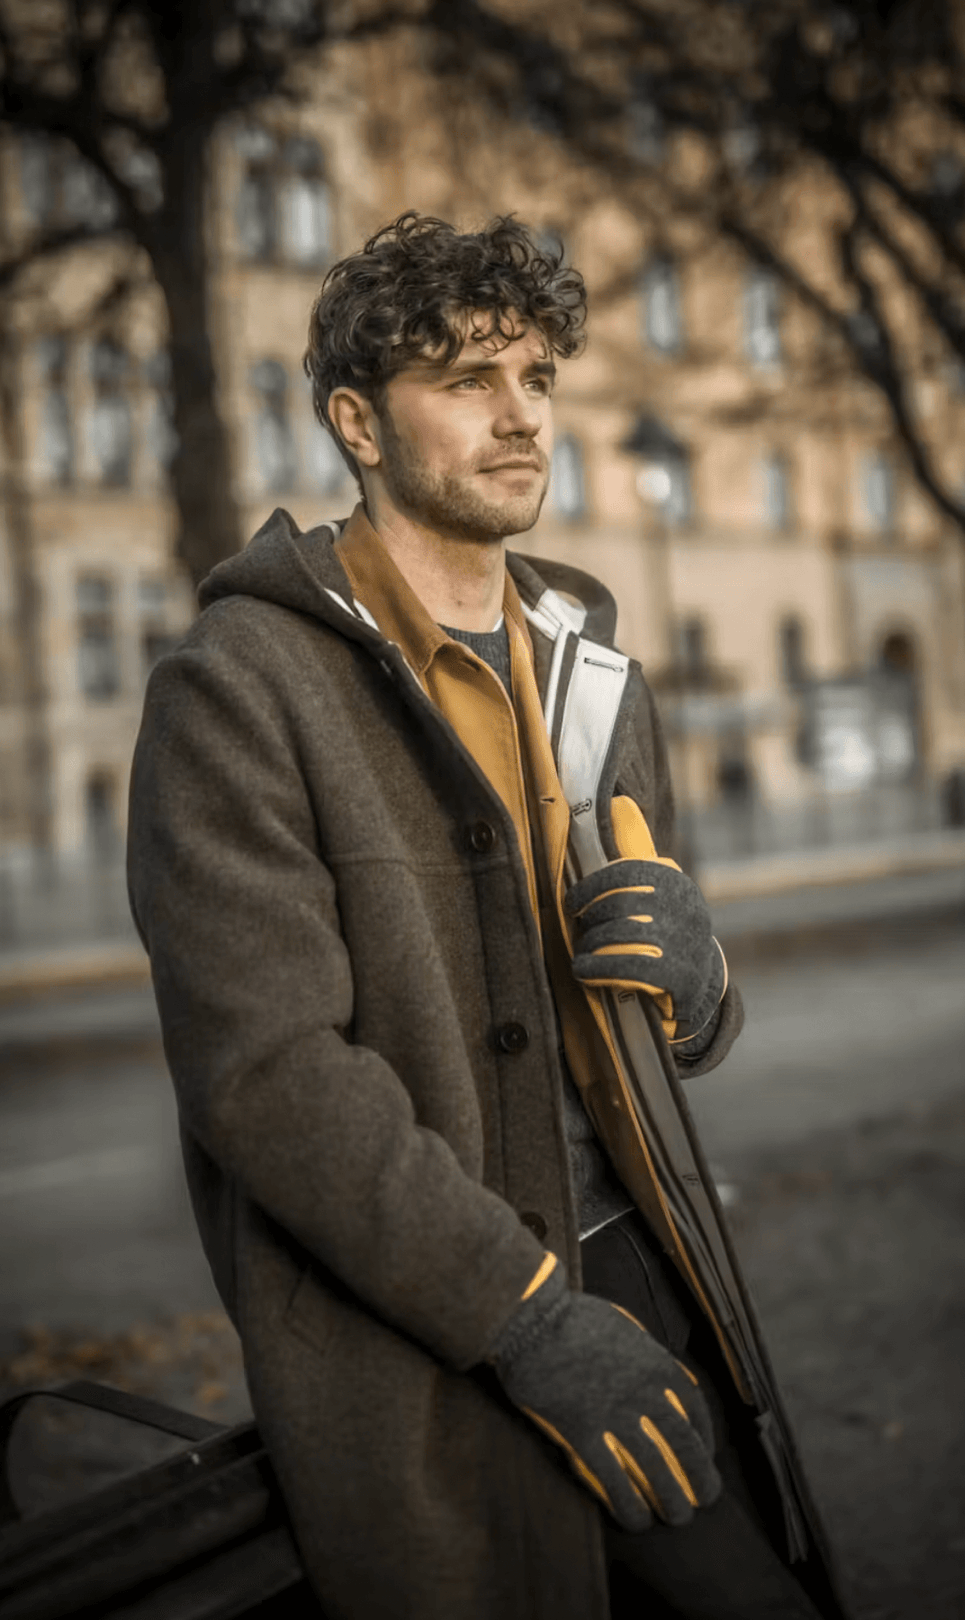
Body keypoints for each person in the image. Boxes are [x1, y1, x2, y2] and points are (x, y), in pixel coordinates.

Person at [128, 213, 847, 1620]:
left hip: (647, 1254)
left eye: (536, 378)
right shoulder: (237, 687)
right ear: (358, 424)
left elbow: (664, 1014)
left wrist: (702, 982)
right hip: (438, 1316)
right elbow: (267, 1077)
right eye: (466, 381)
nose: (521, 418)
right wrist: (528, 1322)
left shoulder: (591, 670)